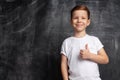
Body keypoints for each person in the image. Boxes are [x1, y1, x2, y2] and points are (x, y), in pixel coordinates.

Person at [60, 5, 109, 80]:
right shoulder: (67, 42)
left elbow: (105, 59)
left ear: (88, 22)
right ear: (71, 21)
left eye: (83, 18)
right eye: (76, 18)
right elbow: (63, 64)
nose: (79, 20)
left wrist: (90, 55)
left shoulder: (94, 40)